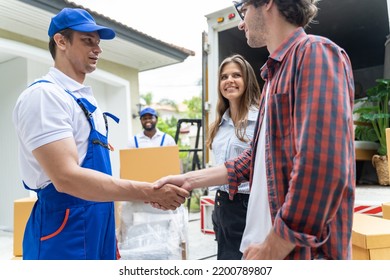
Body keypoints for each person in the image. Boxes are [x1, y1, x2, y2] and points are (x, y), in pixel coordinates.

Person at [153, 0, 355, 260]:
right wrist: (189, 180)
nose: (240, 23)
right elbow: (254, 161)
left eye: (243, 10)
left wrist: (274, 247)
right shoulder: (273, 77)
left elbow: (323, 165)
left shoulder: (314, 53)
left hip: (301, 255)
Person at [12, 8, 188, 260]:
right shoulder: (45, 97)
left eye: (98, 42)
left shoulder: (84, 101)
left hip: (99, 220)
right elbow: (66, 178)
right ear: (61, 41)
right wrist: (148, 191)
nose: (97, 49)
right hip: (64, 226)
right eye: (87, 41)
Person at [207, 54, 260, 259]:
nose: (229, 80)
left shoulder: (261, 120)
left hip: (248, 206)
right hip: (222, 205)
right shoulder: (219, 125)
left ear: (247, 80)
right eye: (224, 77)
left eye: (236, 75)